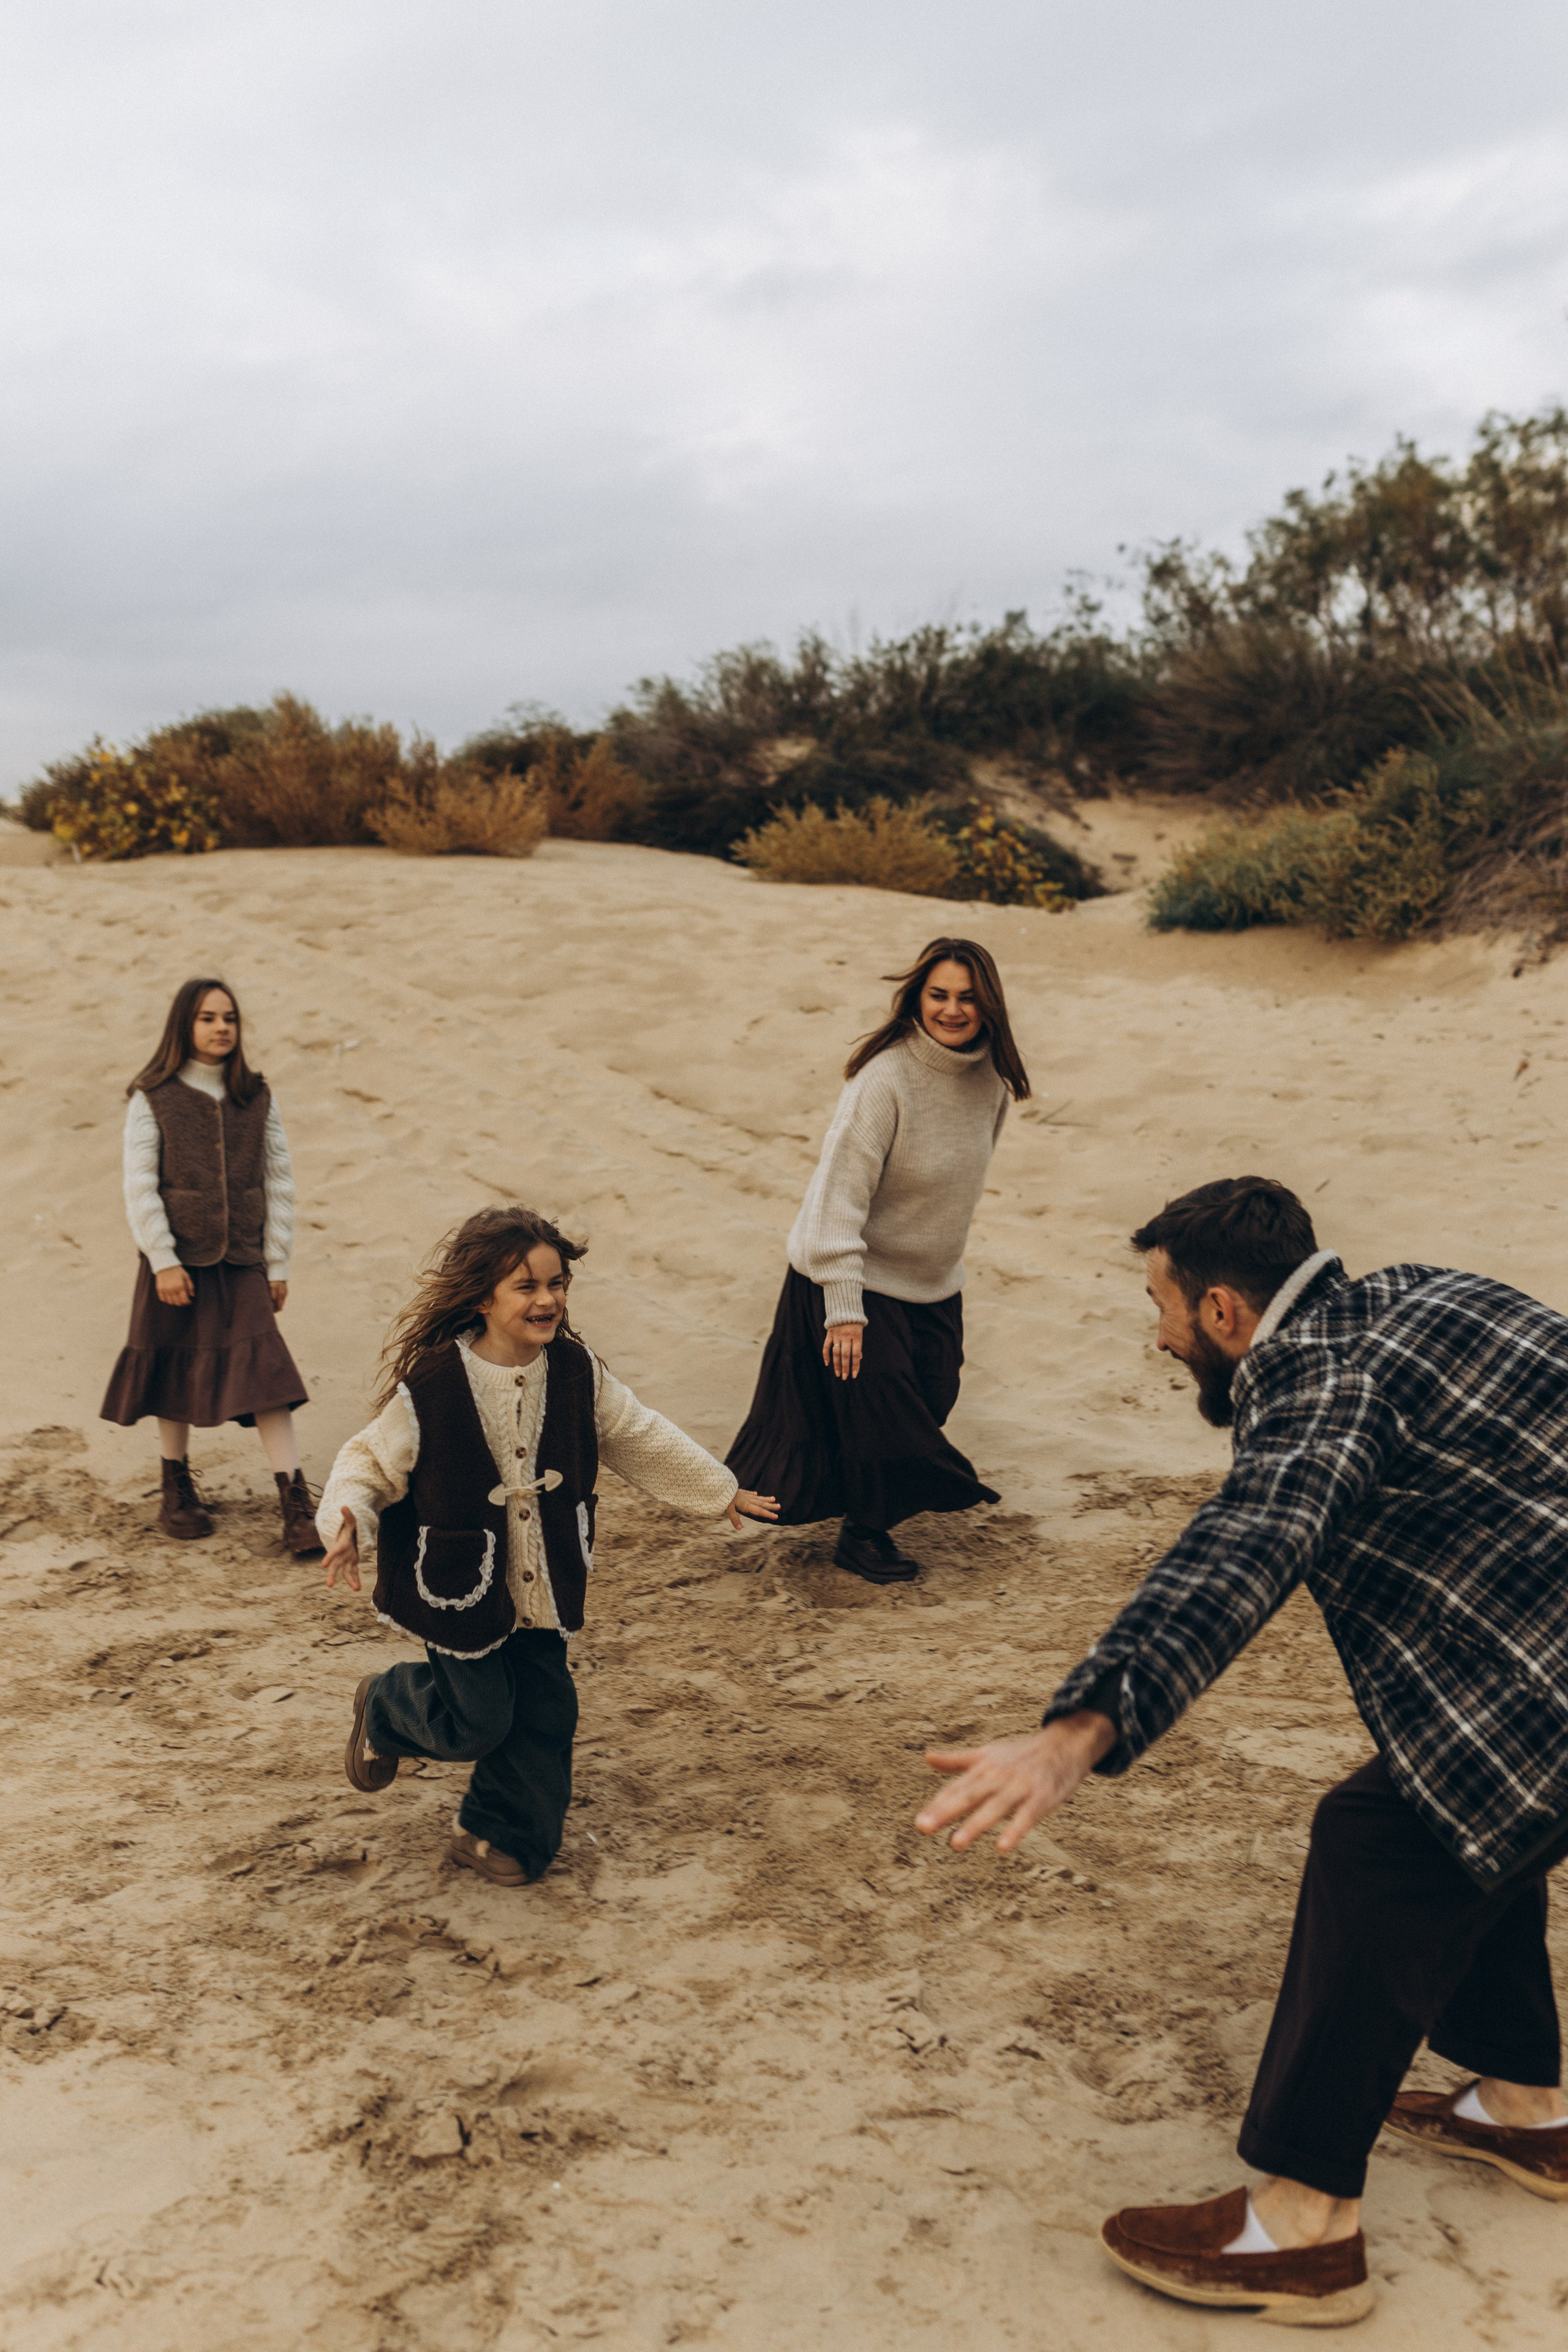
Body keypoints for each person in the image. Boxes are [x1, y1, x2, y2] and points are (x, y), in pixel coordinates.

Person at [916, 1176, 1568, 2328]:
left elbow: (1249, 1542)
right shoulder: (1425, 1297)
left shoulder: (1316, 1376)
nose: (1159, 1335)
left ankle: (1304, 2230)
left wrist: (1076, 1737)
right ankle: (1525, 2108)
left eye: (1163, 1306)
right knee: (1459, 1787)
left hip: (1544, 1677)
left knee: (1377, 1843)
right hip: (1532, 1667)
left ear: (1224, 1313)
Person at [317, 1205, 778, 1887]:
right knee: (476, 1720)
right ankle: (386, 1706)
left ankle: (497, 1836)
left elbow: (635, 1432)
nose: (548, 1300)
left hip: (542, 1580)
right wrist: (348, 1519)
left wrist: (718, 1490)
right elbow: (368, 1463)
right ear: (482, 1296)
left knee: (545, 1710)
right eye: (526, 1287)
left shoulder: (575, 1371)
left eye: (557, 1283)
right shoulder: (436, 1386)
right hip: (459, 1587)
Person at [726, 937, 1028, 1586]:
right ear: (917, 998)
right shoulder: (884, 1080)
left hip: (932, 1282)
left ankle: (864, 1517)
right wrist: (844, 1310)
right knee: (880, 1412)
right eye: (938, 995)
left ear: (989, 1005)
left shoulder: (991, 1083)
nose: (952, 1010)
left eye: (967, 997)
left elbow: (961, 1180)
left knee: (933, 1395)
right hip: (852, 1277)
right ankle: (864, 1536)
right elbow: (839, 1197)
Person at [101, 975, 318, 1554]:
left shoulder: (257, 1095)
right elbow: (140, 1187)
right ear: (184, 1026)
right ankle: (176, 1487)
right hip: (176, 1263)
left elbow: (279, 1180)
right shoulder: (154, 1096)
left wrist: (277, 1263)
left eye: (230, 1018)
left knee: (268, 1375)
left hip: (244, 1257)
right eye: (207, 1018)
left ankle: (295, 1502)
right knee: (170, 1369)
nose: (222, 1027)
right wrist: (164, 1260)